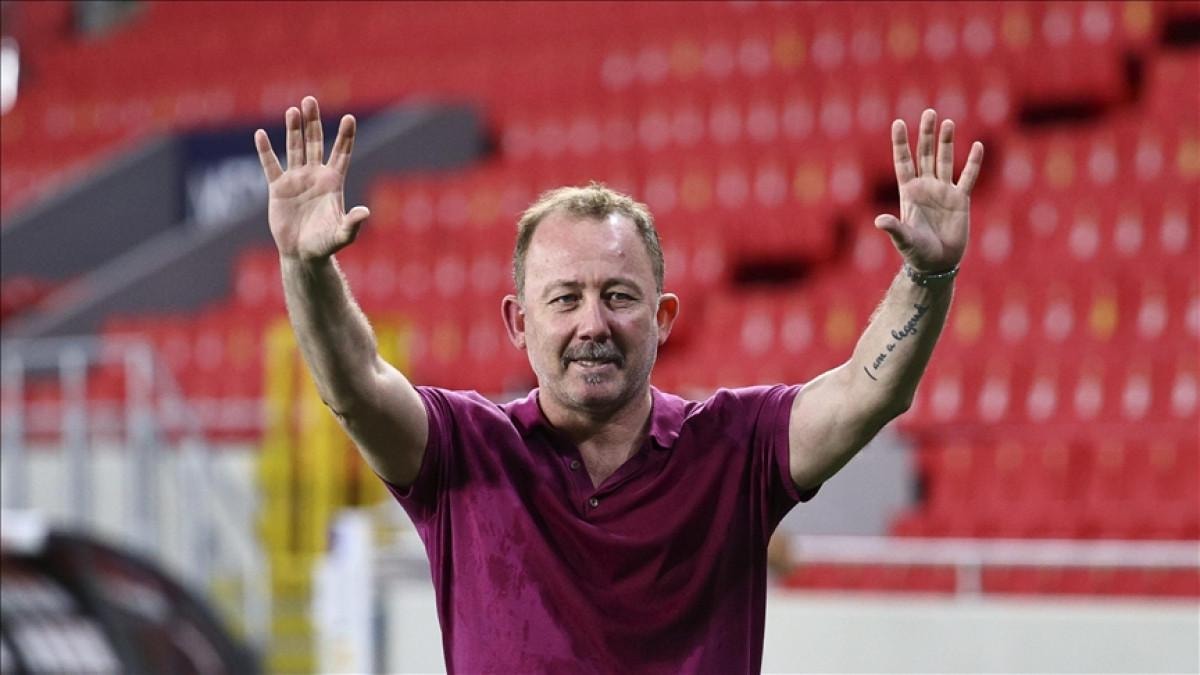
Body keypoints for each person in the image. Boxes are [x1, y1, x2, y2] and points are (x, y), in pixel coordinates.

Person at [254, 96, 983, 673]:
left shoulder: (735, 448)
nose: (593, 323)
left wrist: (929, 274)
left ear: (663, 318)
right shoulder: (464, 451)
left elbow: (867, 391)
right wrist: (305, 268)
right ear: (518, 323)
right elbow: (355, 385)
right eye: (565, 298)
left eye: (619, 296)